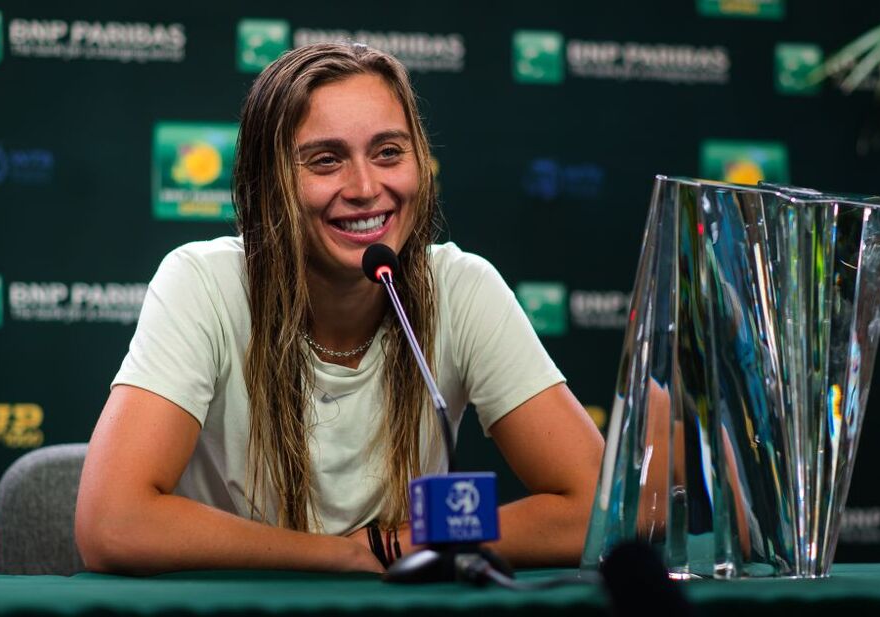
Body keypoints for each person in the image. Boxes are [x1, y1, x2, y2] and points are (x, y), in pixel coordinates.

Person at [75, 43, 604, 575]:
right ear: (267, 184)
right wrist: (343, 554)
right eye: (326, 160)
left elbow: (598, 509)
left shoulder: (460, 288)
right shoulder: (204, 283)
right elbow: (113, 523)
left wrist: (396, 541)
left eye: (389, 152)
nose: (366, 188)